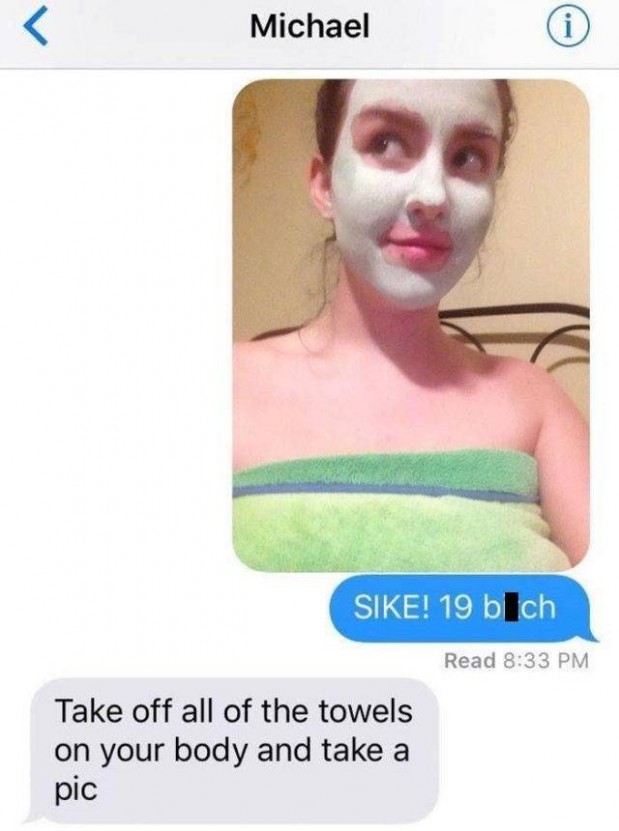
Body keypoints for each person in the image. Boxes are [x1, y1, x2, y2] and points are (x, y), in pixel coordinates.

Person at [233, 79, 589, 572]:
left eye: (467, 157)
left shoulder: (537, 403)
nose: (432, 196)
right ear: (324, 186)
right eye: (386, 143)